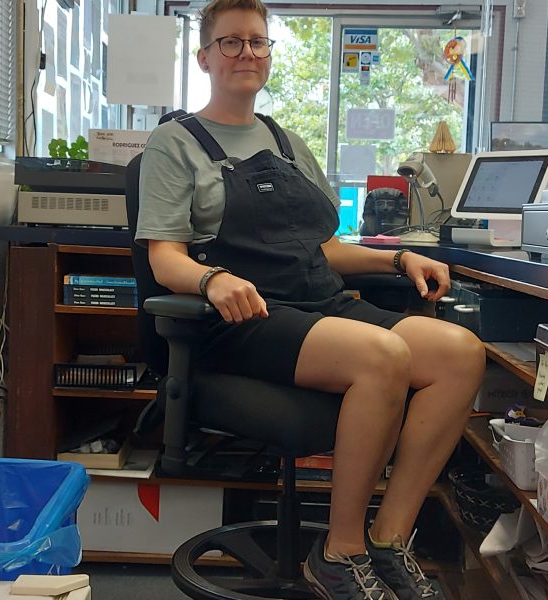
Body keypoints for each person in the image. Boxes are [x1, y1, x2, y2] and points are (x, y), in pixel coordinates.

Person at [135, 1, 486, 598]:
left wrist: (399, 258)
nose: (247, 52)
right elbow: (163, 257)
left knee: (460, 352)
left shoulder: (285, 139)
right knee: (383, 356)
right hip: (243, 317)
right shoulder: (175, 142)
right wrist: (210, 279)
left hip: (319, 306)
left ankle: (386, 540)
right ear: (204, 57)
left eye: (258, 42)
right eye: (231, 42)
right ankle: (338, 553)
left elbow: (324, 247)